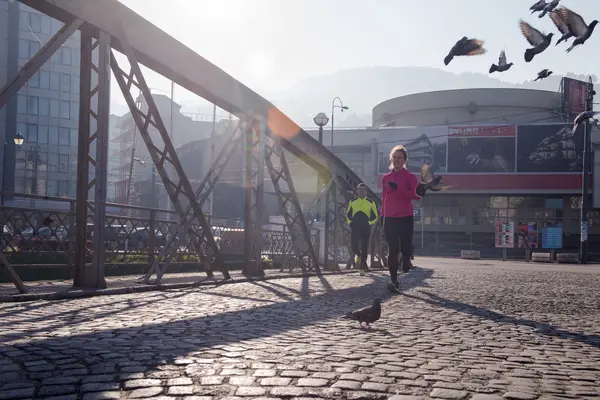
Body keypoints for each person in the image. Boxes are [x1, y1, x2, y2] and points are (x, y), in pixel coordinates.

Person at [381, 145, 419, 290]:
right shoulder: (386, 178)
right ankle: (393, 281)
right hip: (390, 217)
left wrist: (399, 189)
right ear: (391, 159)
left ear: (404, 160)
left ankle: (406, 259)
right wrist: (382, 214)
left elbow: (417, 195)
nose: (397, 160)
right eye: (395, 158)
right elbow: (384, 197)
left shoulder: (410, 177)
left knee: (405, 247)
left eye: (400, 158)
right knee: (392, 249)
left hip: (405, 217)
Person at [346, 183, 379, 275]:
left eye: (363, 189)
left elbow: (375, 216)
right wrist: (350, 223)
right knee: (354, 246)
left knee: (364, 247)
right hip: (355, 226)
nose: (361, 191)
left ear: (366, 191)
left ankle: (362, 268)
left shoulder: (370, 202)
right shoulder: (352, 201)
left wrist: (369, 223)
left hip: (365, 227)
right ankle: (358, 254)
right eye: (360, 189)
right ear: (357, 191)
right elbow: (348, 214)